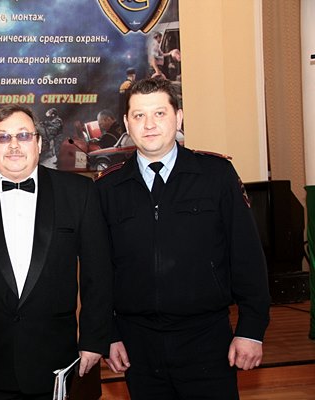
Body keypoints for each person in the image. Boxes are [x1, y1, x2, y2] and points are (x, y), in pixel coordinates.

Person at [95, 78, 270, 400]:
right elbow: (101, 271)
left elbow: (247, 255)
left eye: (159, 113)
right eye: (139, 116)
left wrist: (251, 330)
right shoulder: (108, 188)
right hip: (137, 345)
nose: (149, 125)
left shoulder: (216, 175)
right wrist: (109, 333)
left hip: (207, 339)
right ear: (126, 124)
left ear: (178, 118)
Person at [0, 104, 112, 399]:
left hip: (60, 360)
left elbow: (98, 274)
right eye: (3, 137)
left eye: (23, 135)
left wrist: (94, 339)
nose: (14, 145)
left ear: (39, 143)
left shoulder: (79, 192)